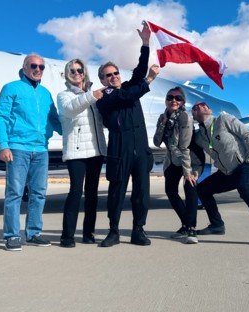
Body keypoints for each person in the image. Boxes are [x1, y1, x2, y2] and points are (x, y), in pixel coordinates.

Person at [96, 21, 160, 247]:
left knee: (142, 192)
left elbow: (140, 71)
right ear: (102, 80)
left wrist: (145, 44)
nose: (113, 76)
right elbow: (127, 97)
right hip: (119, 151)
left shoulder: (129, 86)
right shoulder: (105, 97)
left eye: (115, 73)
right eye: (108, 75)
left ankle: (138, 230)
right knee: (116, 192)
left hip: (140, 149)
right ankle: (113, 231)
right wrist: (149, 82)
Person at [0, 54, 62, 251]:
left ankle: (33, 233)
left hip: (41, 149)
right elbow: (1, 117)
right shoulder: (12, 88)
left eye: (41, 67)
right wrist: (3, 145)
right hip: (18, 148)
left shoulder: (45, 93)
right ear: (25, 67)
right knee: (14, 193)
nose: (38, 69)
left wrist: (74, 129)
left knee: (39, 193)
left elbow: (55, 120)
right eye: (33, 65)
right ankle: (12, 235)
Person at [191, 102, 249, 248]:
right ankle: (217, 225)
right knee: (202, 189)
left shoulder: (223, 120)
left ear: (209, 109)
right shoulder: (199, 137)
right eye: (196, 106)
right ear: (193, 114)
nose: (202, 106)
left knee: (245, 189)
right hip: (227, 173)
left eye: (204, 104)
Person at [56, 59, 107, 248]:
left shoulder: (94, 96)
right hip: (76, 151)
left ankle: (89, 233)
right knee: (76, 192)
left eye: (79, 70)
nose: (76, 73)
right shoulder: (64, 96)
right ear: (67, 74)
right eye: (72, 70)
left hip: (95, 150)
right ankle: (67, 236)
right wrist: (92, 96)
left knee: (92, 194)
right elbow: (71, 110)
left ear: (84, 72)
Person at [153, 87, 203, 244]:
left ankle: (192, 230)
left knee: (190, 188)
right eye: (170, 97)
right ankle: (185, 224)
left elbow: (184, 146)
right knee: (170, 191)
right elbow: (156, 141)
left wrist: (188, 172)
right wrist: (162, 124)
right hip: (173, 158)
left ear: (182, 102)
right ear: (166, 99)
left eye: (178, 98)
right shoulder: (163, 117)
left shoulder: (185, 117)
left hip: (190, 159)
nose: (174, 100)